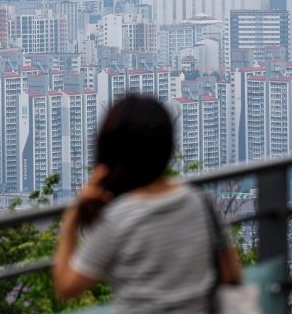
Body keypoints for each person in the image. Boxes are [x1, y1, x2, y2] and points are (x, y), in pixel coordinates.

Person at [52, 94, 242, 313]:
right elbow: (231, 274)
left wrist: (72, 217)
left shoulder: (117, 219)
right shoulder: (199, 201)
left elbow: (67, 286)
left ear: (111, 152)